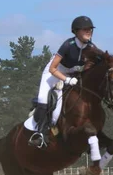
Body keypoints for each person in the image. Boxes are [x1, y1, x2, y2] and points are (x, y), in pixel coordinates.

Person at [26, 16, 98, 148]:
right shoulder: (67, 45)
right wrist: (67, 79)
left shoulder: (91, 47)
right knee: (43, 98)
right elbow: (53, 68)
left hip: (73, 73)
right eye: (85, 29)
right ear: (76, 31)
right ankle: (40, 134)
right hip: (54, 72)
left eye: (90, 29)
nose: (89, 31)